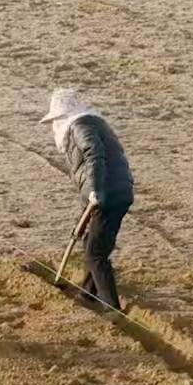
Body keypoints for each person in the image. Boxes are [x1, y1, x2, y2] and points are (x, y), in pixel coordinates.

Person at [40, 89, 133, 311]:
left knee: (96, 253)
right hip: (117, 191)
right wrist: (84, 214)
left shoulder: (81, 126)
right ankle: (88, 293)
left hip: (107, 194)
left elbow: (94, 156)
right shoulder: (92, 123)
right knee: (92, 241)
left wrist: (96, 191)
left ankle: (112, 308)